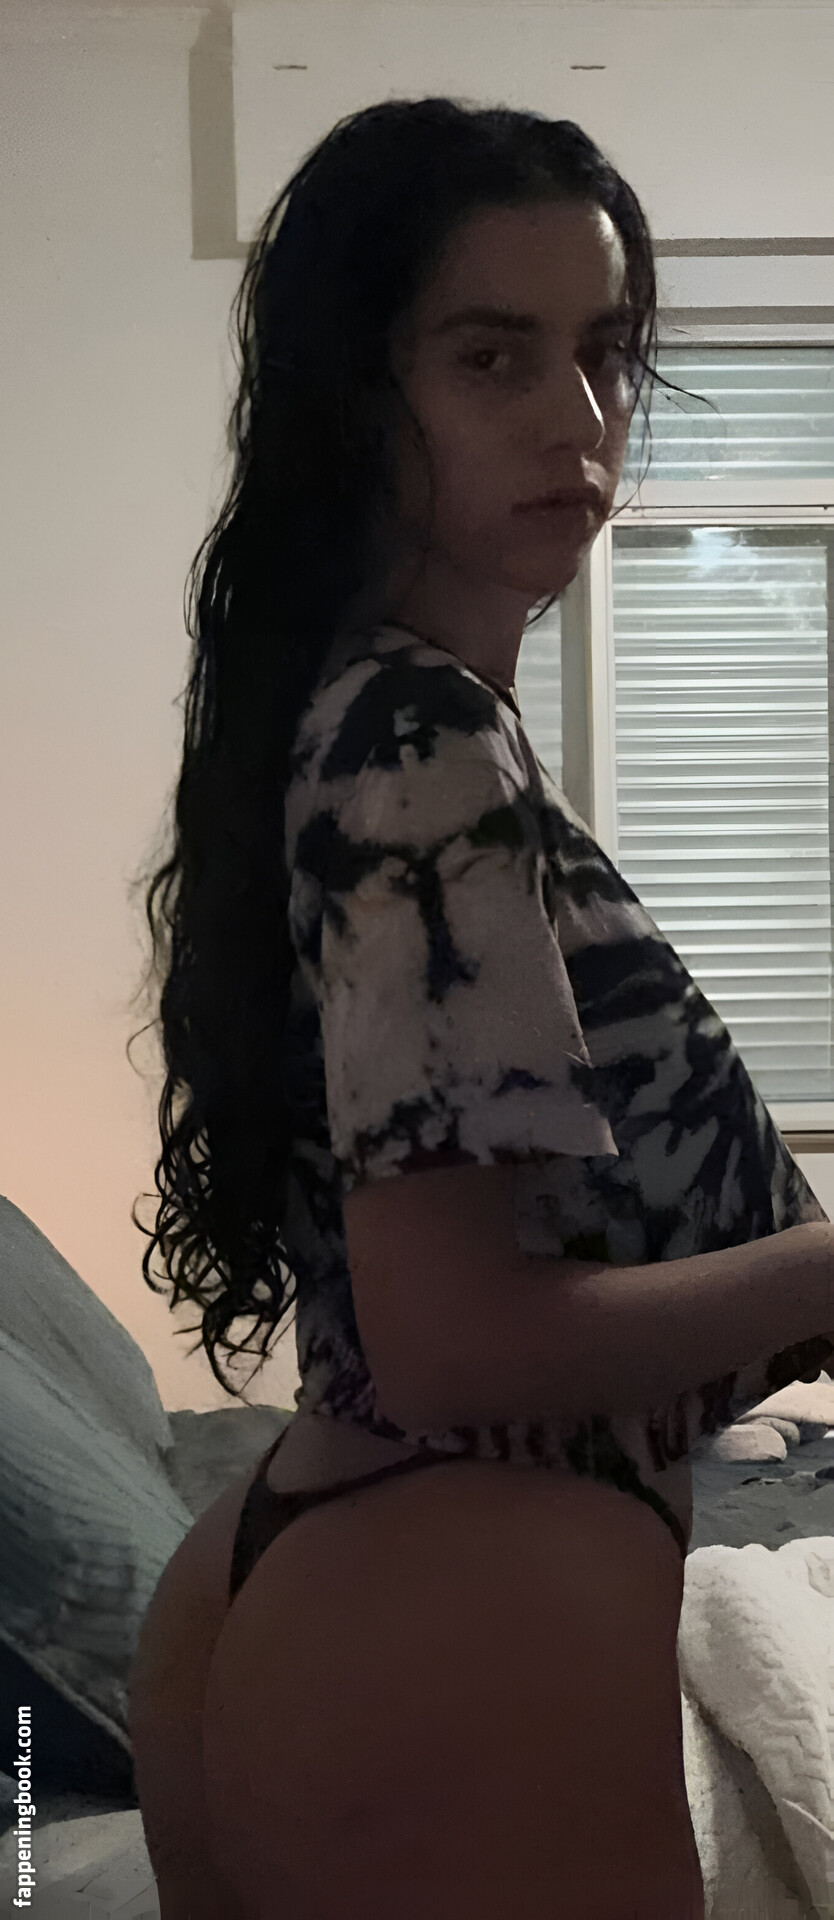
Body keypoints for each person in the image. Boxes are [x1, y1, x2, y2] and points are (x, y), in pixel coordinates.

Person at [127, 98, 834, 1918]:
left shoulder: (366, 712)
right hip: (467, 1621)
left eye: (604, 353)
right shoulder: (422, 740)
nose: (578, 419)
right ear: (354, 396)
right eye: (491, 357)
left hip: (339, 1563)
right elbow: (458, 1345)